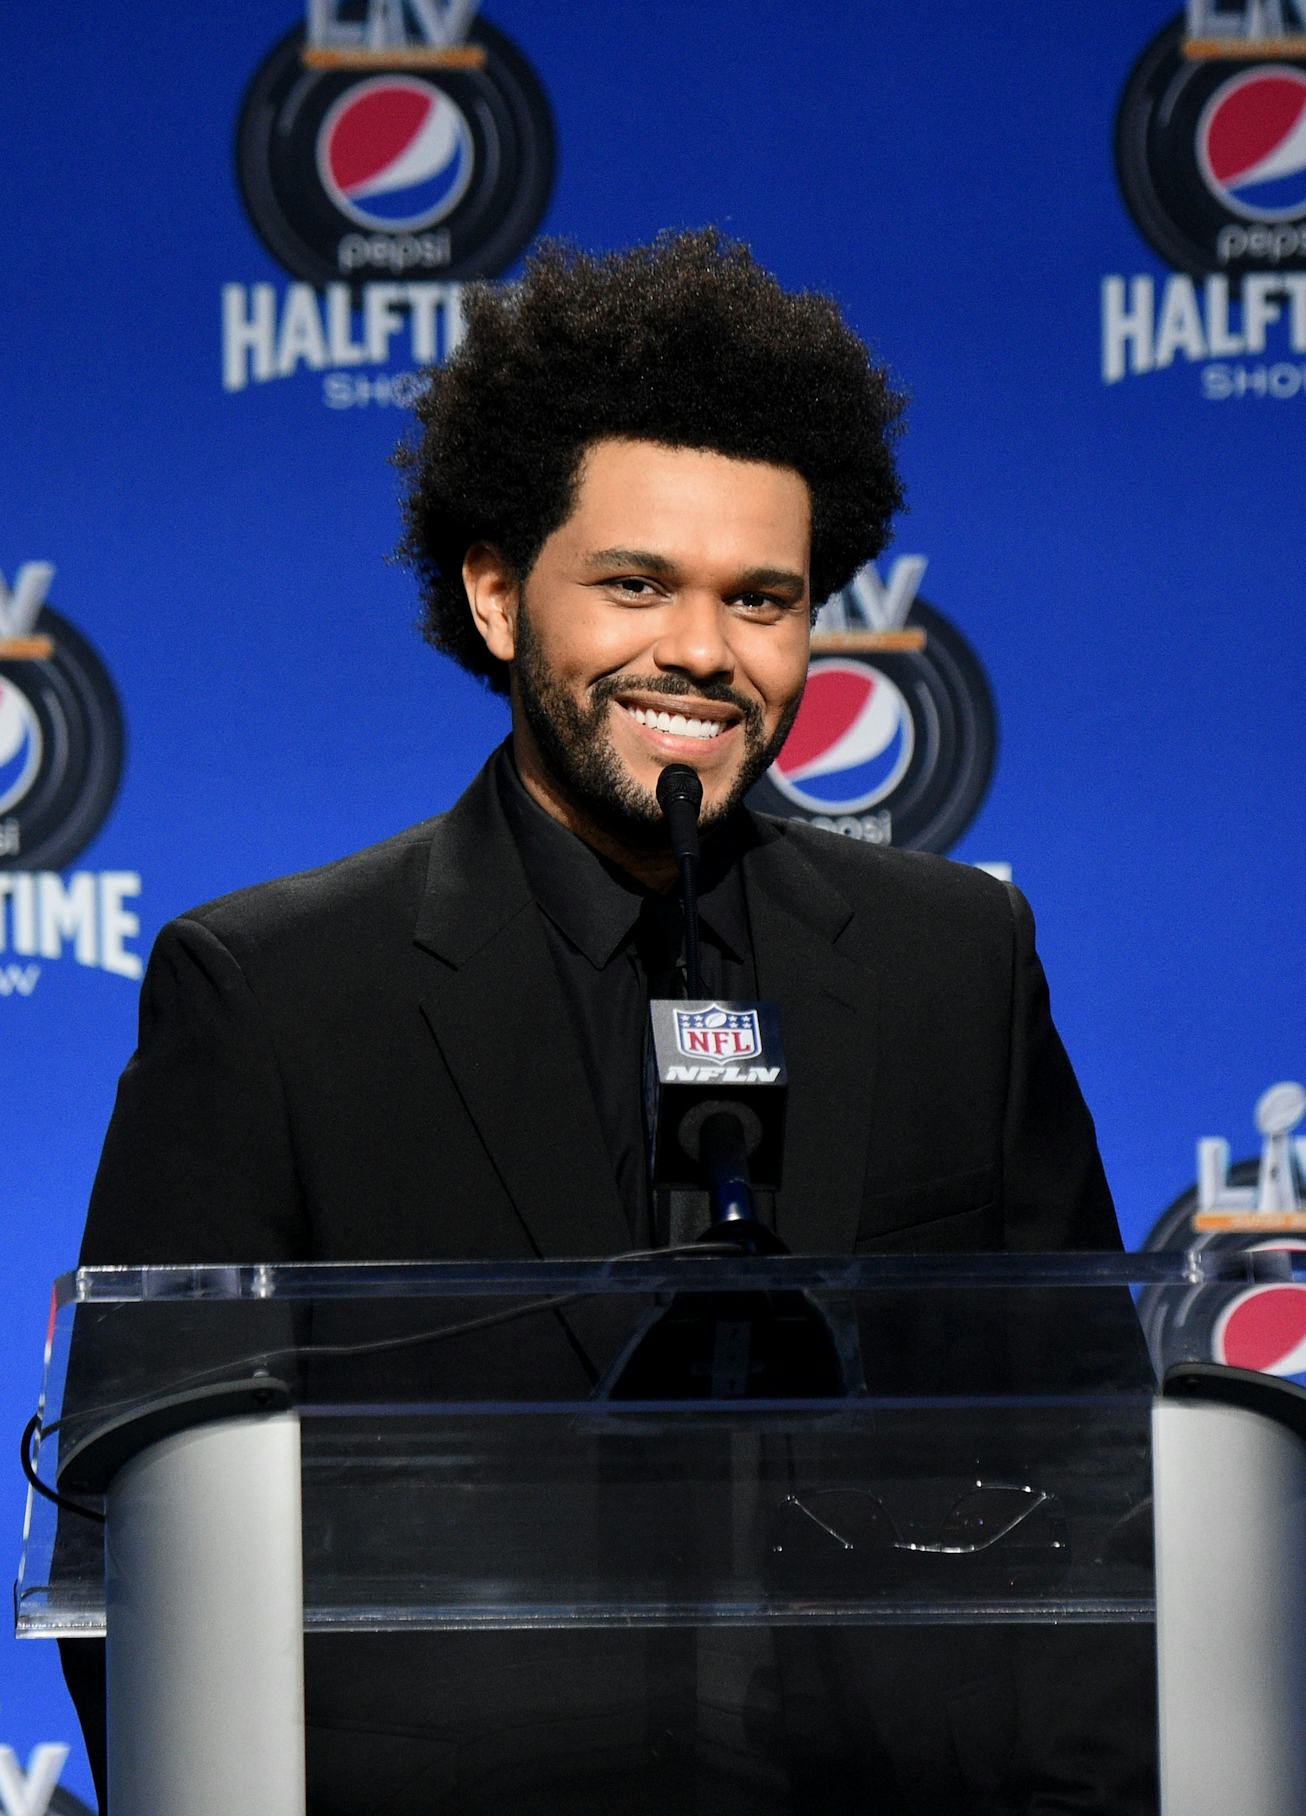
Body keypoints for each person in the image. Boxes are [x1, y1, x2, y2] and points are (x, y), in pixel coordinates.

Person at [63, 230, 1155, 1813]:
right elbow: (137, 1530)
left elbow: (1092, 1477)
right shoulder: (275, 994)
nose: (702, 652)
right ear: (498, 595)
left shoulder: (953, 962)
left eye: (761, 598)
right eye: (635, 583)